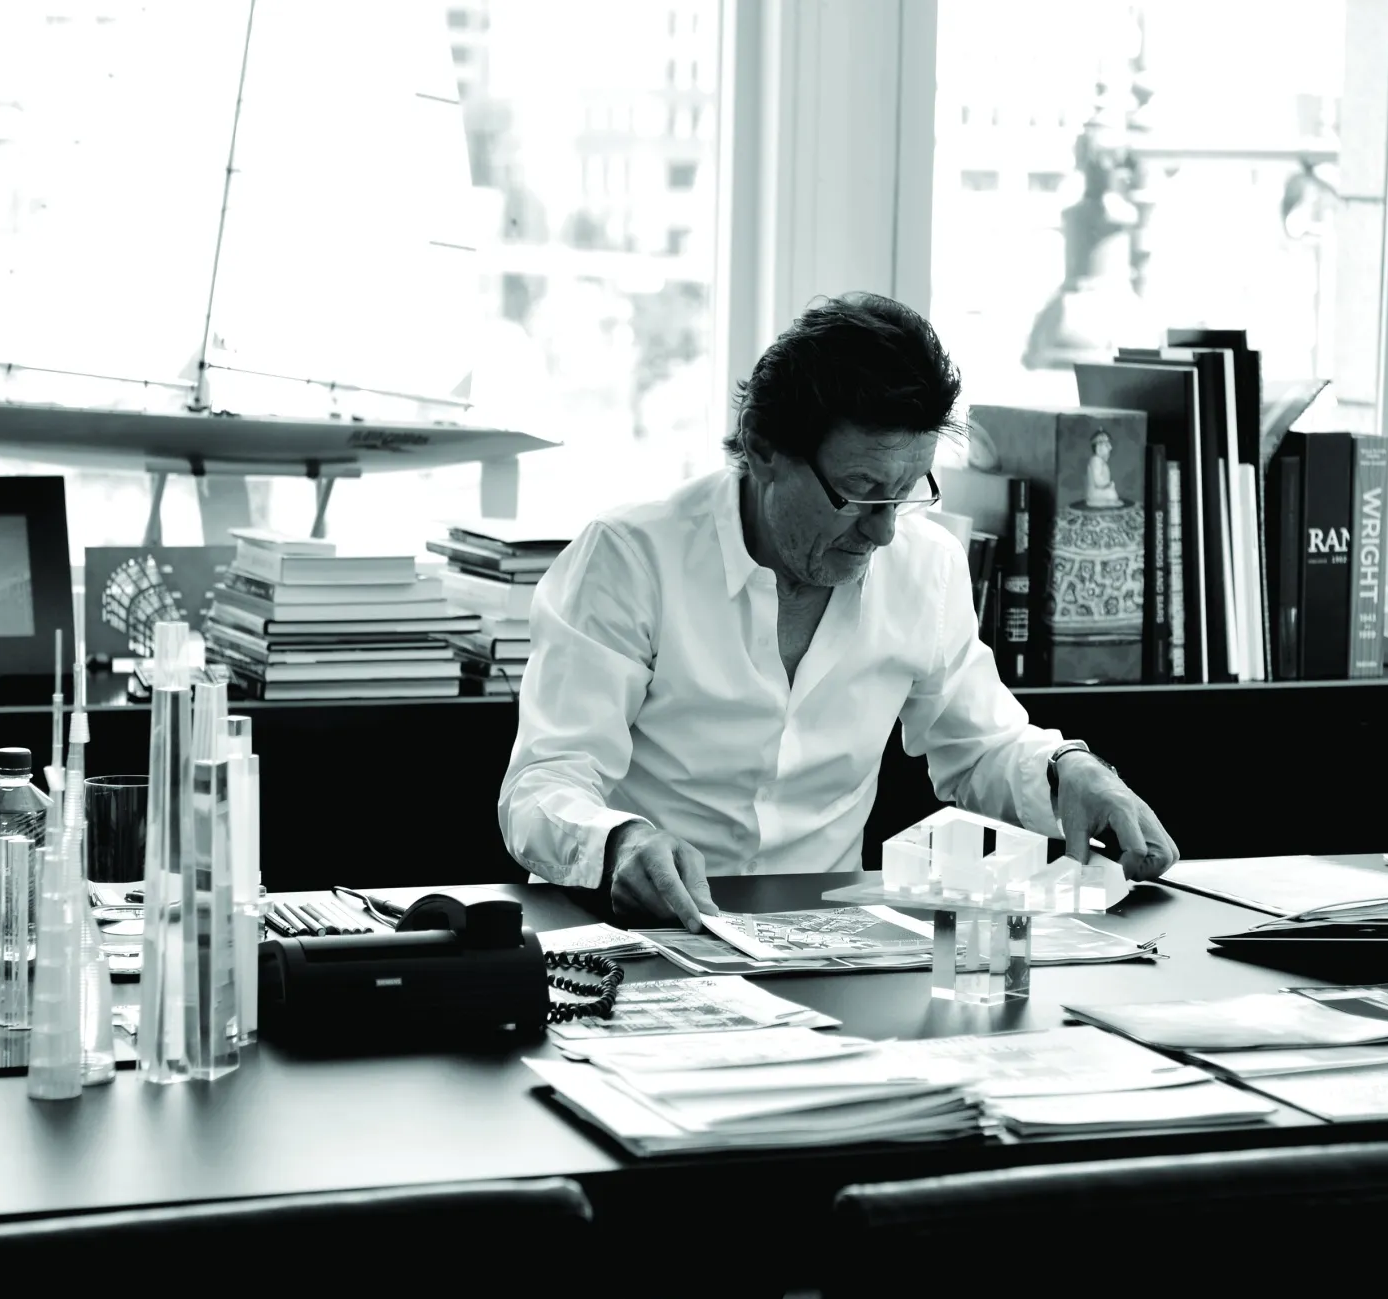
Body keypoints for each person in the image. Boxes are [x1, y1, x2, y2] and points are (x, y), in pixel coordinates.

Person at [498, 293, 1180, 931]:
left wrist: (1069, 768)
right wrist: (619, 842)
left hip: (823, 942)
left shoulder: (926, 566)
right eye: (860, 492)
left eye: (905, 492)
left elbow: (982, 748)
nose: (883, 532)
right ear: (764, 449)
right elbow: (544, 784)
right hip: (636, 933)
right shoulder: (631, 557)